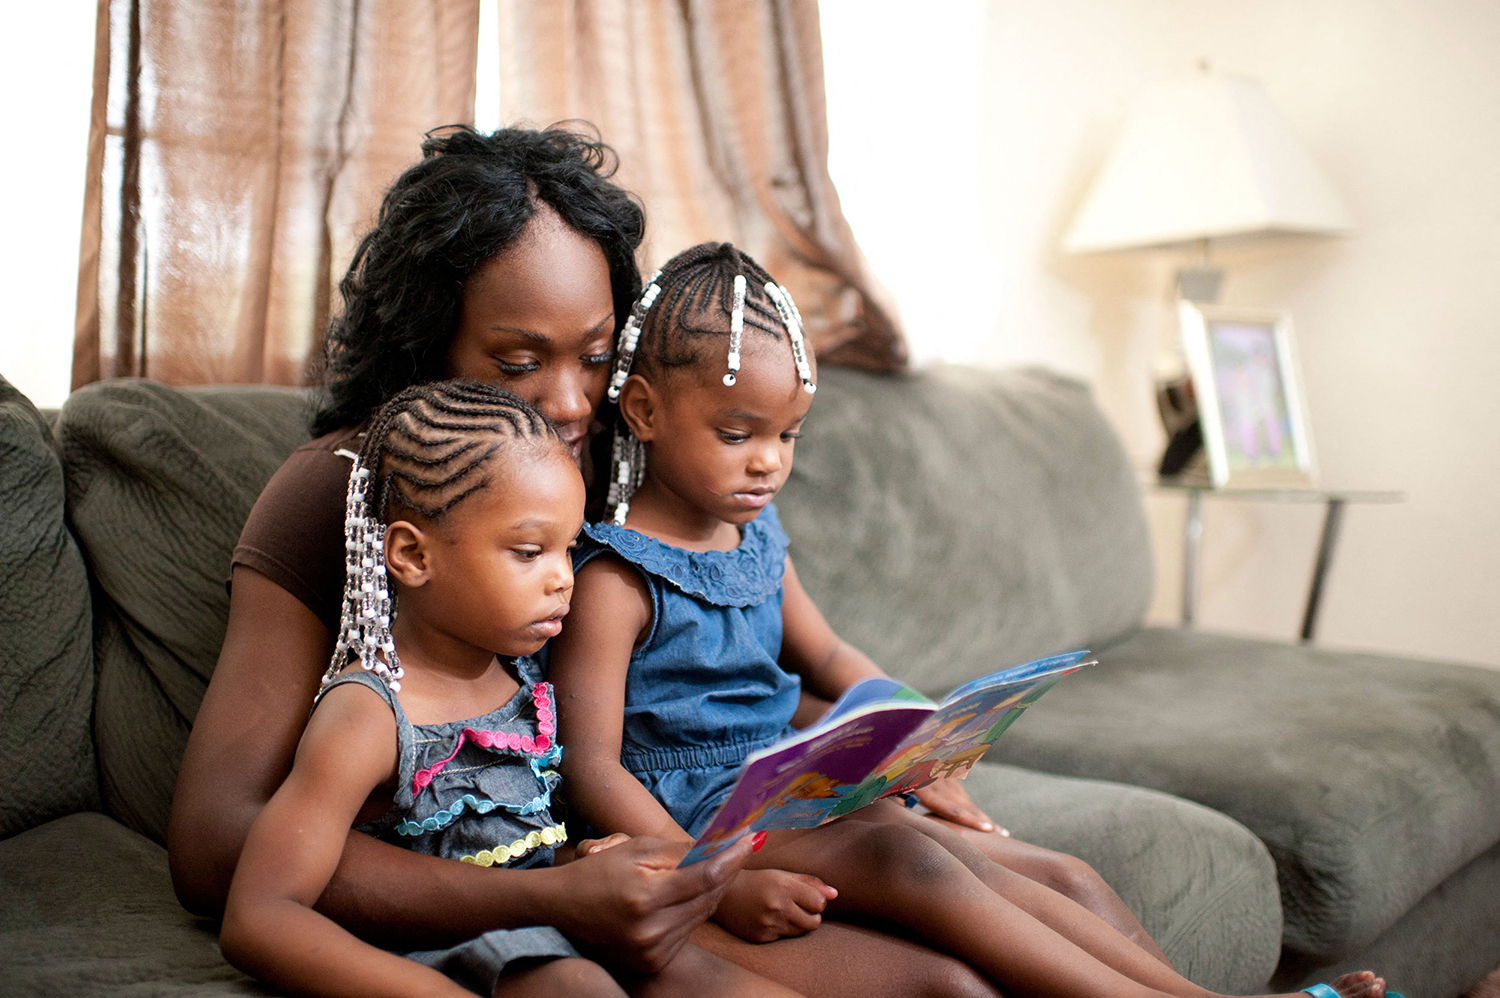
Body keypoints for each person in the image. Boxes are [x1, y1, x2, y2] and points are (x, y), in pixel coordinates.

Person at [168, 123, 990, 998]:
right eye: (517, 361)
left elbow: (718, 680)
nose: (569, 402)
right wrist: (553, 896)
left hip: (649, 856)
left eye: (596, 356)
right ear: (428, 340)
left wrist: (885, 748)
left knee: (956, 962)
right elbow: (215, 846)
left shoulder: (623, 454)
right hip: (536, 903)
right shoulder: (337, 493)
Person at [547, 241, 1394, 998]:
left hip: (796, 784)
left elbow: (829, 654)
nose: (769, 460)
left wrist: (920, 729)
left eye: (790, 434)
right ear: (648, 410)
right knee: (913, 860)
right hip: (704, 813)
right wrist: (713, 878)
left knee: (1067, 878)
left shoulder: (756, 535)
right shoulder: (616, 578)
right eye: (738, 432)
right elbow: (595, 769)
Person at [219, 381, 796, 998]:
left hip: (554, 927)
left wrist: (589, 860)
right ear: (413, 555)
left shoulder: (524, 683)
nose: (562, 578)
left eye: (568, 548)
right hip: (455, 957)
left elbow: (519, 852)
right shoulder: (369, 716)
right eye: (528, 551)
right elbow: (259, 918)